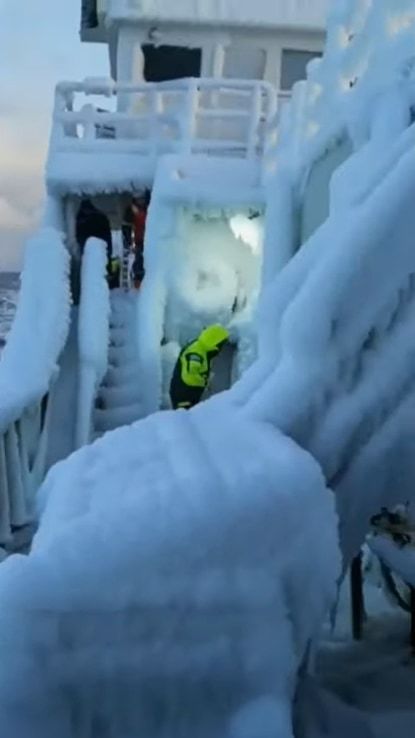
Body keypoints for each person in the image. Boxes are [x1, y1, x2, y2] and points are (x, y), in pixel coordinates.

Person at [169, 325, 230, 410]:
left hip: (186, 392)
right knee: (184, 420)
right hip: (183, 396)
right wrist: (204, 381)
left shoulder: (201, 346)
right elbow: (190, 377)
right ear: (215, 342)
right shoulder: (196, 353)